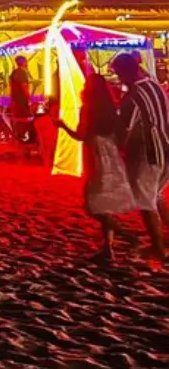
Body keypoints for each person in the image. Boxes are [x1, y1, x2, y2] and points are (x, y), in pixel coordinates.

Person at [58, 72, 139, 265]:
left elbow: (80, 135)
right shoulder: (110, 109)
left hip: (95, 155)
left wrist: (63, 126)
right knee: (105, 204)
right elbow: (121, 134)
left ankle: (126, 235)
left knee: (92, 205)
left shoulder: (88, 109)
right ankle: (108, 249)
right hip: (111, 155)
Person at [110, 52, 168, 261]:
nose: (119, 79)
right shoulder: (155, 86)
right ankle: (161, 243)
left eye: (119, 74)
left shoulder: (134, 96)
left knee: (145, 200)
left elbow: (123, 128)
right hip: (165, 147)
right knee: (155, 196)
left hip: (148, 152)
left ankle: (158, 248)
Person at [9, 55, 35, 144]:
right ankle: (26, 138)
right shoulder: (21, 73)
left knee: (19, 119)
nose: (27, 63)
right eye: (26, 61)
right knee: (27, 119)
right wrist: (30, 98)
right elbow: (24, 87)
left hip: (15, 100)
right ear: (23, 62)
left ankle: (19, 136)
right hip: (21, 100)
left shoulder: (14, 72)